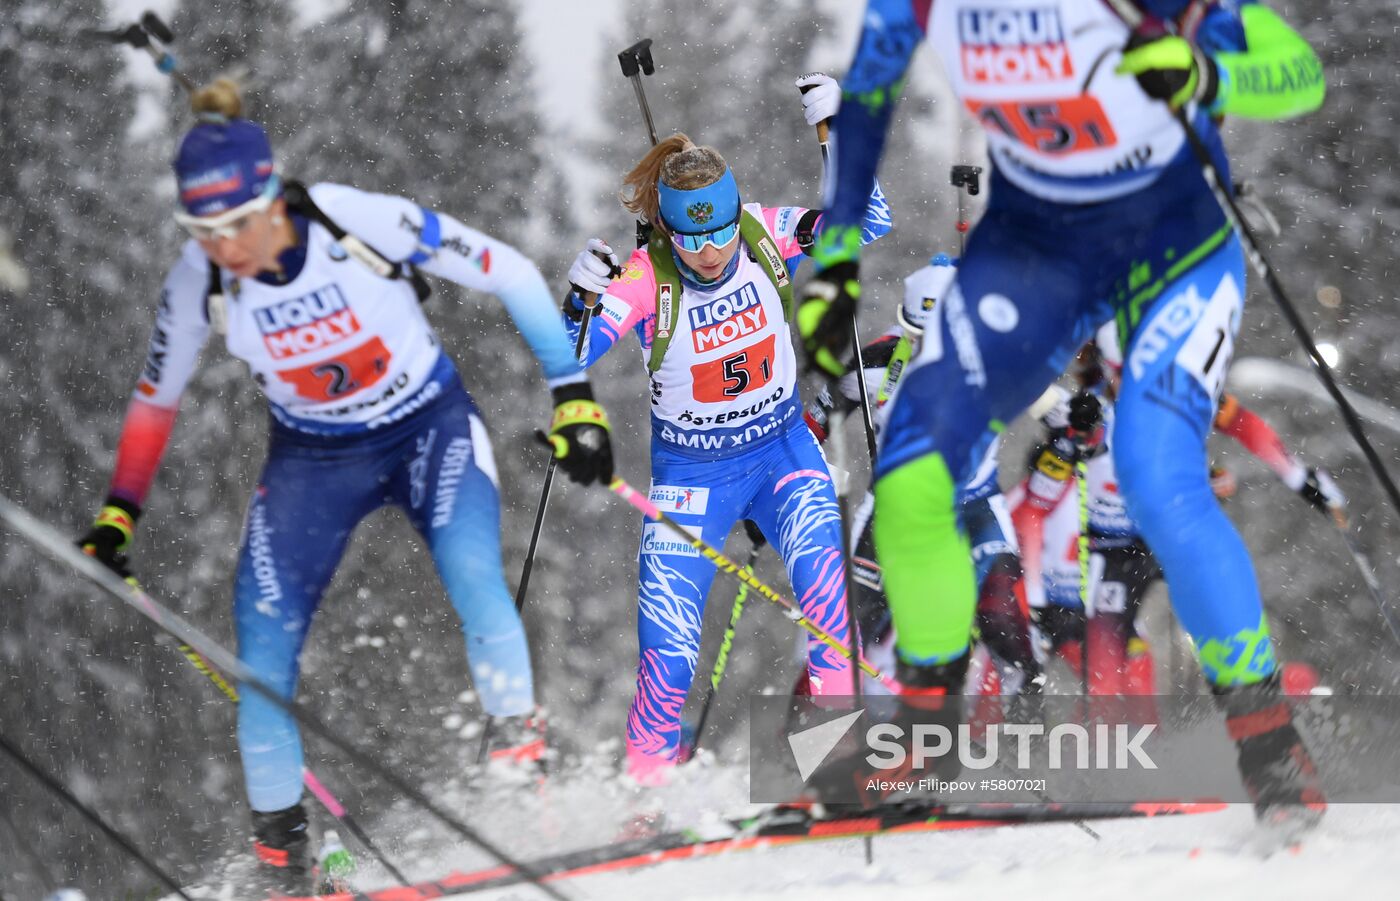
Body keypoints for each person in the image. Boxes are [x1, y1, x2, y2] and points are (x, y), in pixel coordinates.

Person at [76, 79, 614, 890]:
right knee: (259, 649)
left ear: (271, 201)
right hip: (314, 460)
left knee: (476, 581)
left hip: (426, 426)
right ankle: (283, 865)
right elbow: (155, 399)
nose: (223, 248)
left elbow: (506, 270)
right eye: (201, 232)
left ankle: (520, 794)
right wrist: (119, 514)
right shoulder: (199, 282)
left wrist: (573, 395)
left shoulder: (353, 219)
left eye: (234, 226)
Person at [801, 0, 1328, 823]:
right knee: (910, 480)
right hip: (1035, 251)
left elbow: (1299, 70)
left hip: (1171, 254)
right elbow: (868, 95)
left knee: (1159, 478)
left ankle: (1269, 745)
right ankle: (923, 739)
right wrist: (833, 262)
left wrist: (1208, 73)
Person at [562, 74, 890, 783]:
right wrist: (581, 294)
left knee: (833, 607)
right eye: (691, 235)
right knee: (669, 658)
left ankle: (837, 769)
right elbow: (574, 352)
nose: (710, 251)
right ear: (667, 229)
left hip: (781, 454)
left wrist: (837, 133)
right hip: (690, 482)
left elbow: (868, 222)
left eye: (718, 229)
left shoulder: (764, 234)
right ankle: (646, 795)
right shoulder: (647, 277)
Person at [1015, 325, 1345, 696]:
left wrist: (1300, 478)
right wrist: (1074, 433)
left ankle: (1261, 690)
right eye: (1123, 372)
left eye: (1146, 367)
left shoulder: (1183, 391)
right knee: (1108, 667)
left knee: (1221, 602)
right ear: (1108, 367)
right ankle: (1109, 737)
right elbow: (1045, 422)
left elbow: (1245, 426)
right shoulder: (1091, 407)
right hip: (1112, 549)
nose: (1137, 382)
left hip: (1170, 532)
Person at [803, 255, 1041, 696]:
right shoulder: (874, 361)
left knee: (1005, 626)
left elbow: (1053, 396)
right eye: (919, 334)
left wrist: (1082, 425)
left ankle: (1028, 753)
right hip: (894, 508)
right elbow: (812, 426)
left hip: (974, 507)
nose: (931, 348)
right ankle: (805, 744)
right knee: (848, 629)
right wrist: (796, 481)